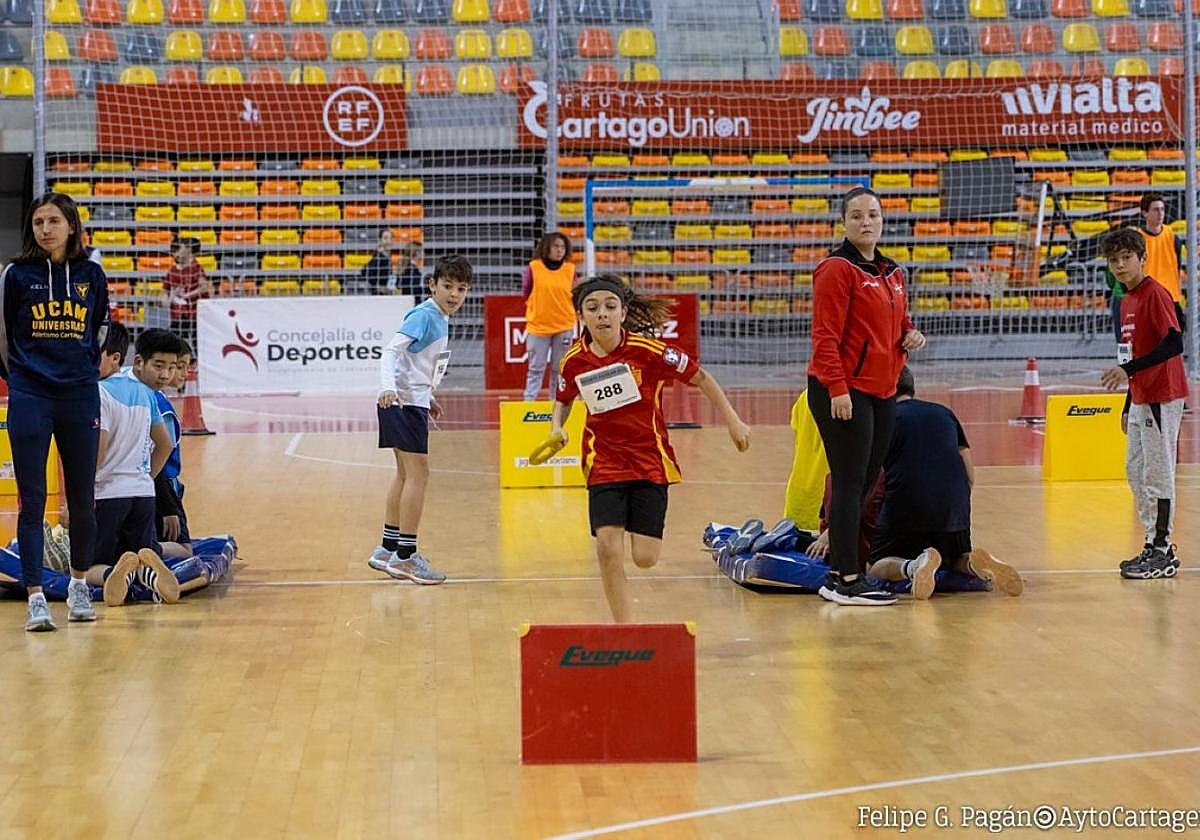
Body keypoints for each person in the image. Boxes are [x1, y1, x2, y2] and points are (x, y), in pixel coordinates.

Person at [547, 274, 751, 623]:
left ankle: (632, 523)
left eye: (610, 307)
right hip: (604, 461)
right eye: (592, 308)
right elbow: (564, 398)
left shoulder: (649, 351)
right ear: (581, 316)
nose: (602, 315)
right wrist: (556, 427)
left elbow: (700, 376)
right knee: (608, 548)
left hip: (649, 460)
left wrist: (733, 420)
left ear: (623, 312)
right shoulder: (574, 360)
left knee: (645, 557)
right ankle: (624, 628)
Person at [807, 185, 925, 607]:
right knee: (849, 481)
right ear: (844, 222)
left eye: (872, 214)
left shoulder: (891, 271)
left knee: (867, 481)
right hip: (843, 392)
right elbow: (824, 338)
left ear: (882, 219)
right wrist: (838, 389)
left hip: (883, 391)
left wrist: (910, 334)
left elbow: (898, 321)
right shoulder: (836, 269)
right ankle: (844, 577)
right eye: (856, 215)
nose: (865, 222)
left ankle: (850, 567)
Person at [0, 192, 110, 631]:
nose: (44, 229)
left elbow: (97, 327)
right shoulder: (17, 274)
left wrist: (82, 370)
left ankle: (79, 584)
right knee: (33, 501)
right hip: (30, 393)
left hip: (79, 394)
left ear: (71, 225)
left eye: (52, 221)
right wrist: (22, 379)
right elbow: (5, 332)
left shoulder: (91, 274)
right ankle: (35, 597)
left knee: (82, 498)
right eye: (38, 222)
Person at [867, 366, 1022, 597]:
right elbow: (970, 475)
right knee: (952, 559)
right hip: (954, 506)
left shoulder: (883, 420)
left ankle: (914, 566)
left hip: (907, 503)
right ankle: (973, 563)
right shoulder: (944, 413)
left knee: (875, 568)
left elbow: (867, 480)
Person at [367, 255, 473, 585]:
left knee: (403, 475)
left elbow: (415, 365)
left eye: (461, 289)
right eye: (448, 286)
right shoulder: (425, 315)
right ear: (432, 285)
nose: (454, 294)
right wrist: (388, 388)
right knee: (419, 475)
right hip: (401, 404)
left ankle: (387, 549)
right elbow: (390, 351)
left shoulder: (440, 317)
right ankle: (406, 557)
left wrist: (428, 398)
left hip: (411, 402)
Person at [1100, 228, 1188, 579]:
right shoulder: (1125, 300)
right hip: (1140, 396)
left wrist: (1128, 371)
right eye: (1114, 260)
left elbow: (1173, 344)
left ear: (1142, 259)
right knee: (1135, 471)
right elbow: (1132, 353)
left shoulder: (1155, 294)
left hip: (1162, 395)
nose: (1120, 265)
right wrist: (1127, 401)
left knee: (1157, 472)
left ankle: (1164, 550)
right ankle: (1152, 542)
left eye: (1126, 258)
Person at [93, 321, 181, 606]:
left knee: (86, 563)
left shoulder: (99, 392)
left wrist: (79, 497)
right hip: (143, 493)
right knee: (139, 552)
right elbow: (166, 443)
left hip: (107, 493)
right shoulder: (145, 392)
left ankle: (109, 575)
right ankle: (151, 573)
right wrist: (145, 475)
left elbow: (99, 450)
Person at [124, 328, 192, 558]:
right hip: (149, 487)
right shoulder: (156, 404)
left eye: (174, 367)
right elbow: (159, 453)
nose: (169, 374)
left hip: (130, 485)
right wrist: (169, 507)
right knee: (184, 550)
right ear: (140, 362)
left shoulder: (124, 384)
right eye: (161, 366)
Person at [522, 231, 577, 401]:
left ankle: (557, 403)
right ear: (546, 248)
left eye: (562, 247)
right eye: (556, 246)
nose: (560, 250)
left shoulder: (570, 269)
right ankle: (528, 403)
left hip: (564, 325)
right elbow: (526, 291)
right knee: (536, 368)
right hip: (539, 326)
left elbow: (574, 292)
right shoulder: (534, 267)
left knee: (558, 369)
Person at [162, 236, 211, 349]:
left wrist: (186, 296)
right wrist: (170, 298)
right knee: (174, 342)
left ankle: (199, 363)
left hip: (195, 313)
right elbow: (164, 292)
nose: (176, 253)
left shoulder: (196, 268)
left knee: (197, 342)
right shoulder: (172, 271)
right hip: (178, 314)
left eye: (179, 249)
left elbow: (204, 287)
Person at [357, 229, 394, 295]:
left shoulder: (387, 255)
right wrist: (376, 286)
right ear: (380, 240)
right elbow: (364, 271)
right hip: (379, 294)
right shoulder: (378, 256)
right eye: (385, 238)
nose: (388, 241)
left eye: (390, 238)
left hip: (387, 291)